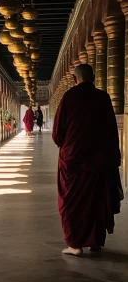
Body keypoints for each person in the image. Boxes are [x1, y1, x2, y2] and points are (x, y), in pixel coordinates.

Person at [52, 64, 122, 257]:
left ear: (75, 79)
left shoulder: (69, 97)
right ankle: (95, 242)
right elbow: (111, 131)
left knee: (71, 202)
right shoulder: (104, 97)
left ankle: (75, 245)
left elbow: (58, 133)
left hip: (73, 161)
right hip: (100, 160)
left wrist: (70, 145)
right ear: (93, 77)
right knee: (97, 199)